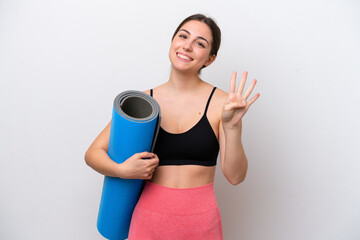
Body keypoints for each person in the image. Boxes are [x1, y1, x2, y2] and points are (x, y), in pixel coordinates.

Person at [85, 13, 260, 240]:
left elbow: (235, 176)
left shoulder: (223, 104)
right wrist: (123, 170)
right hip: (148, 222)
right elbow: (92, 154)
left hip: (202, 225)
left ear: (210, 59)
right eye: (183, 36)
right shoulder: (143, 102)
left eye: (200, 43)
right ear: (172, 42)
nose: (187, 46)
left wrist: (232, 126)